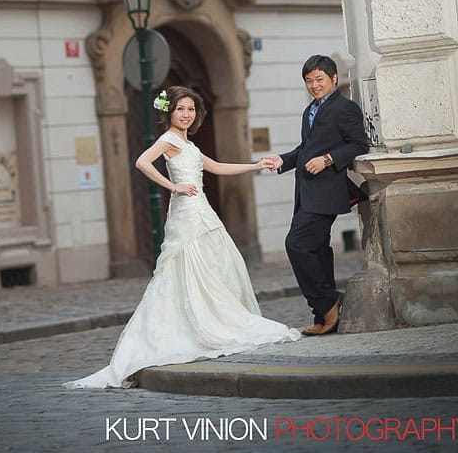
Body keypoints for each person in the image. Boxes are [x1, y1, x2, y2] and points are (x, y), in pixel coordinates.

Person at [64, 84, 300, 389]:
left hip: (201, 209)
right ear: (169, 112)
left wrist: (255, 165)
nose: (186, 114)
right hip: (186, 213)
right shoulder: (167, 139)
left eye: (190, 109)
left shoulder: (188, 144)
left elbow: (215, 167)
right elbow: (142, 162)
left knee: (214, 264)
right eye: (180, 109)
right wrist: (172, 186)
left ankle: (210, 317)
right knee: (185, 264)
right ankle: (192, 326)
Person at [262, 55, 369, 336]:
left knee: (297, 244)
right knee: (318, 249)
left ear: (334, 78)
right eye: (309, 81)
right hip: (306, 192)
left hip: (327, 192)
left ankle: (328, 302)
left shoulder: (344, 108)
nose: (314, 85)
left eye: (319, 79)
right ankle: (325, 317)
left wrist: (329, 159)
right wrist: (281, 161)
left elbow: (359, 144)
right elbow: (304, 150)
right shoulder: (310, 110)